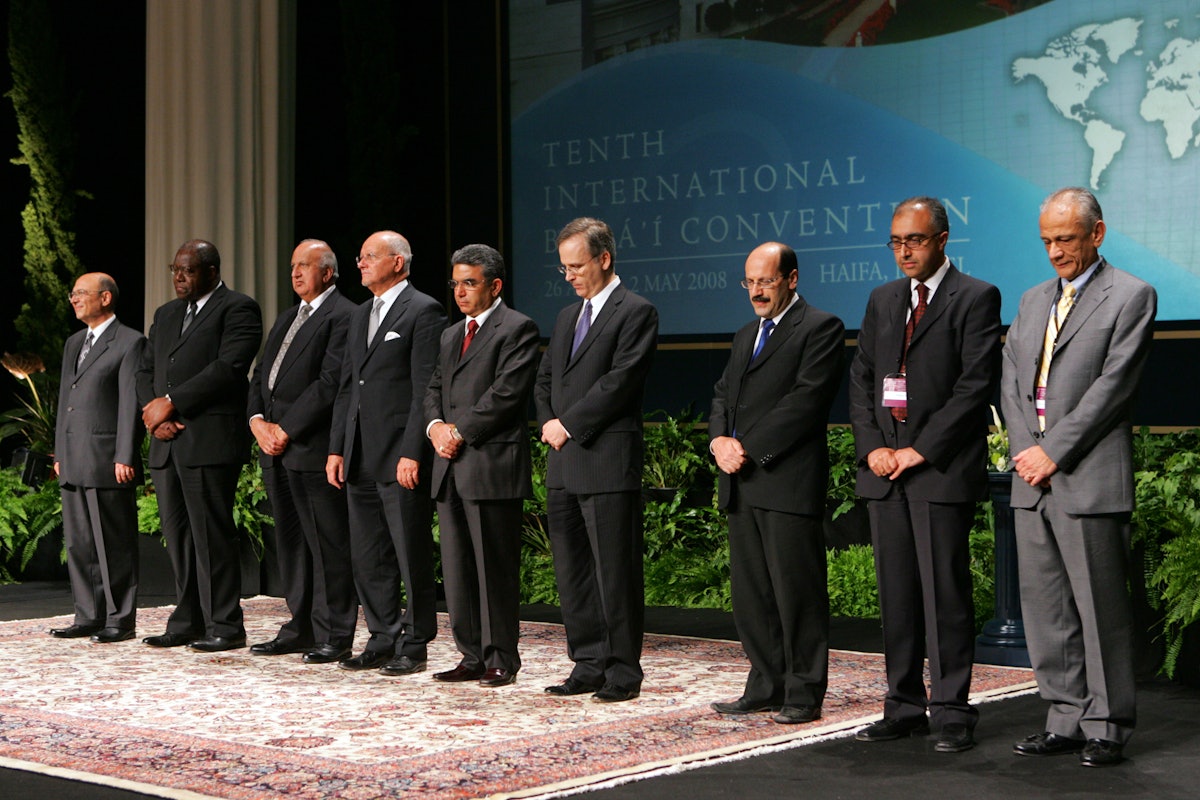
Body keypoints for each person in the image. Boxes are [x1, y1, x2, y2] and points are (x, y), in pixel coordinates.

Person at [1001, 187, 1156, 767]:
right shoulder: (1031, 299)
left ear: (1097, 233)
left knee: (1099, 611)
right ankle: (1063, 718)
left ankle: (1108, 725)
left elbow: (1112, 389)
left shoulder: (1132, 295)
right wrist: (1026, 451)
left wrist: (1054, 452)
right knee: (1047, 612)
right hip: (1031, 478)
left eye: (1064, 239)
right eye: (1046, 241)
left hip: (1086, 476)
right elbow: (1012, 381)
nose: (1054, 252)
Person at [848, 196, 1001, 753]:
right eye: (895, 242)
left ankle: (953, 709)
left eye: (913, 240)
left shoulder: (975, 297)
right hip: (885, 472)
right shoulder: (882, 299)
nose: (903, 251)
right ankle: (904, 704)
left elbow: (973, 387)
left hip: (938, 471)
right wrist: (873, 451)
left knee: (944, 595)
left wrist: (919, 450)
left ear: (941, 239)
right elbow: (863, 380)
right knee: (897, 596)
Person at [708, 243, 844, 724]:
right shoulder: (746, 334)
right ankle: (765, 684)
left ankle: (804, 693)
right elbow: (724, 394)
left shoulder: (820, 328)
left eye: (765, 280)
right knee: (754, 597)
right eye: (749, 281)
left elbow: (806, 401)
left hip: (784, 480)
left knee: (797, 595)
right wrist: (719, 441)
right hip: (741, 483)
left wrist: (747, 446)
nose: (756, 290)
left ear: (792, 278)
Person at [534, 216, 658, 703]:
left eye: (577, 266)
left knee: (615, 573)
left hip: (606, 461)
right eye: (564, 268)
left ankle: (623, 671)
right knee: (573, 572)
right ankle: (586, 663)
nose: (570, 276)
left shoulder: (636, 311)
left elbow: (619, 383)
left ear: (604, 259)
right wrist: (548, 421)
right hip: (564, 462)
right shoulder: (567, 316)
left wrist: (567, 425)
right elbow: (545, 379)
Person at [327, 230, 447, 676]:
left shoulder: (424, 309)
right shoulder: (360, 314)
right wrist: (337, 448)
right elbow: (347, 387)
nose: (360, 263)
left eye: (369, 256)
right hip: (358, 454)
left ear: (398, 262)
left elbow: (424, 390)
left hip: (400, 455)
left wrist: (413, 450)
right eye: (359, 257)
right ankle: (381, 636)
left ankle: (415, 643)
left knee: (408, 551)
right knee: (369, 554)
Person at [137, 239, 263, 652]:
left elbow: (227, 370)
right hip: (167, 441)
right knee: (179, 537)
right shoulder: (166, 313)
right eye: (174, 269)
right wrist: (154, 415)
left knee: (211, 535)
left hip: (208, 440)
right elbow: (147, 367)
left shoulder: (238, 308)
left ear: (211, 271)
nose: (178, 277)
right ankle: (187, 619)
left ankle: (225, 625)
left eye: (188, 270)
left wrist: (171, 404)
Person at [423, 244, 540, 687]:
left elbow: (506, 395)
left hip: (489, 465)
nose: (460, 292)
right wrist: (435, 427)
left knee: (493, 571)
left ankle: (500, 659)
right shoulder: (451, 334)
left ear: (495, 286)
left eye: (469, 283)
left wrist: (458, 432)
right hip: (449, 466)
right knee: (457, 571)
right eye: (455, 283)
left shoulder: (518, 328)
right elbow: (433, 386)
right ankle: (470, 654)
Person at [247, 239, 358, 664]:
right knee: (292, 545)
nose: (295, 273)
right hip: (274, 448)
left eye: (305, 266)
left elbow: (330, 383)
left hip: (310, 447)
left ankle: (335, 632)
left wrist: (285, 429)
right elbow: (260, 376)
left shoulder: (343, 315)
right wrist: (258, 422)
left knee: (327, 543)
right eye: (293, 265)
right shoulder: (289, 315)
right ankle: (301, 626)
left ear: (328, 273)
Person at [51, 273, 147, 643]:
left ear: (105, 297)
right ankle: (87, 615)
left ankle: (119, 619)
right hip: (73, 456)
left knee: (113, 542)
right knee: (79, 543)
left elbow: (129, 402)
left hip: (108, 457)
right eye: (72, 293)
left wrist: (125, 453)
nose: (74, 299)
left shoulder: (130, 341)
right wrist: (60, 450)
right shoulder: (74, 342)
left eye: (80, 293)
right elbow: (65, 401)